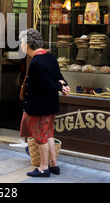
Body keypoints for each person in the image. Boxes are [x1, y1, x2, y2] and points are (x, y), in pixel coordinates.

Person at [19, 28, 70, 177]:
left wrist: (60, 86)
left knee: (41, 138)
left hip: (40, 107)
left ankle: (43, 168)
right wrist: (63, 86)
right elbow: (58, 77)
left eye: (22, 42)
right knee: (48, 134)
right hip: (50, 105)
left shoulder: (36, 61)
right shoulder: (50, 57)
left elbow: (47, 84)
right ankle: (54, 165)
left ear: (28, 44)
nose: (21, 45)